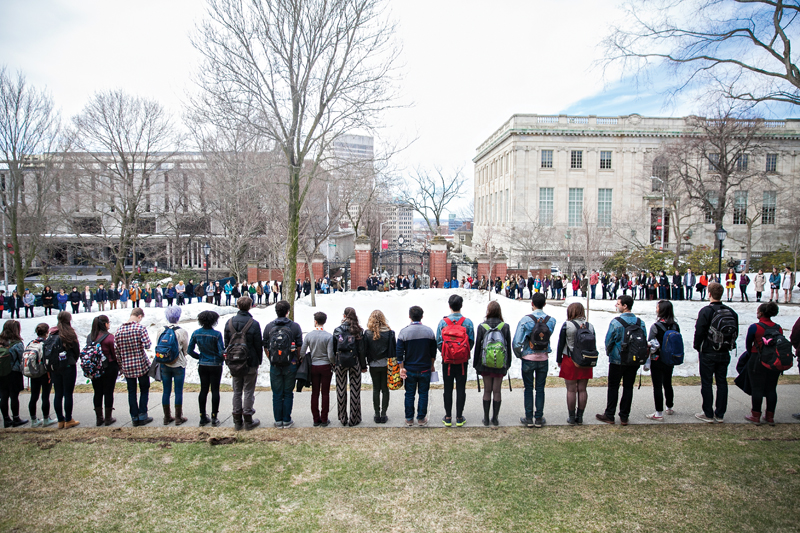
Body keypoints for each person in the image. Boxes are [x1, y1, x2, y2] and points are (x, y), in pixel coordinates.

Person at [596, 295, 646, 426]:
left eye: (618, 304)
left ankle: (610, 414)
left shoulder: (616, 322)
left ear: (625, 306)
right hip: (634, 360)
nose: (616, 306)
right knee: (628, 387)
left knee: (613, 387)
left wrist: (609, 352)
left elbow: (608, 340)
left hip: (617, 359)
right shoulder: (640, 323)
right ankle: (624, 415)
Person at [693, 282, 738, 423]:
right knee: (722, 382)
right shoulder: (731, 312)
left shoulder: (706, 311)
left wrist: (697, 346)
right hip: (724, 351)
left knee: (706, 382)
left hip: (708, 350)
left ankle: (708, 412)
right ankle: (720, 413)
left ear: (709, 294)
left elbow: (699, 331)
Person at [514, 292, 556, 428]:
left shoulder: (525, 320)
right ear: (544, 304)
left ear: (531, 304)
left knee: (528, 388)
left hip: (528, 357)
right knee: (540, 388)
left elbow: (516, 342)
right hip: (543, 357)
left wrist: (519, 354)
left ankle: (528, 417)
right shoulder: (551, 321)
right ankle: (539, 417)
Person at [436, 294, 474, 427]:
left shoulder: (443, 322)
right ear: (461, 306)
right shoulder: (467, 322)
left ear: (449, 306)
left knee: (447, 388)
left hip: (447, 361)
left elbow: (439, 342)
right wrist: (461, 352)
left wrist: (447, 352)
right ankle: (459, 417)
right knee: (461, 388)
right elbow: (471, 341)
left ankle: (447, 417)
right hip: (462, 362)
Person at [262, 299, 300, 428]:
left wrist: (271, 359)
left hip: (275, 364)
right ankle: (286, 419)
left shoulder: (269, 327)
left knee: (277, 393)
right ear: (288, 312)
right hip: (290, 364)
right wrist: (296, 360)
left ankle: (278, 420)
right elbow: (299, 346)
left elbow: (265, 346)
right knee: (288, 393)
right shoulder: (294, 326)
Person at [473, 301, 512, 426]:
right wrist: (508, 364)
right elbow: (508, 347)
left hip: (485, 363)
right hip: (500, 364)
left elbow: (478, 348)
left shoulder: (482, 327)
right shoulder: (505, 327)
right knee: (497, 391)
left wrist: (476, 365)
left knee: (487, 390)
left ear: (488, 311)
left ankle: (486, 418)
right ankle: (495, 418)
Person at [397, 305, 437, 427]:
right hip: (425, 368)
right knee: (423, 393)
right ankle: (421, 418)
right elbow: (433, 351)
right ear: (422, 316)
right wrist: (432, 365)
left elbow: (399, 352)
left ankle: (409, 418)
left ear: (409, 316)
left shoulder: (404, 332)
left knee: (409, 394)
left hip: (410, 368)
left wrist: (401, 367)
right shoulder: (429, 331)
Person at [744, 302, 783, 425]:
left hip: (757, 359)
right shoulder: (778, 327)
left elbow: (748, 345)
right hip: (774, 361)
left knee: (757, 388)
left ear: (761, 313)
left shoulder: (755, 327)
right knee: (772, 388)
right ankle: (770, 416)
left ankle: (756, 415)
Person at [555, 302, 594, 425]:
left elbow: (561, 344)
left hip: (570, 359)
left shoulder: (567, 325)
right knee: (582, 389)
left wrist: (559, 360)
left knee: (571, 390)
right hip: (585, 359)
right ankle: (580, 416)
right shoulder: (590, 326)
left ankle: (571, 417)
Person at [114, 308, 154, 426]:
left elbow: (117, 351)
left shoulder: (119, 330)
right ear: (140, 316)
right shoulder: (140, 328)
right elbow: (147, 344)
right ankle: (143, 415)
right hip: (141, 364)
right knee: (144, 389)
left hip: (127, 365)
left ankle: (134, 417)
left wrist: (121, 366)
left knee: (131, 392)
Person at [188, 310, 224, 427]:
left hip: (203, 364)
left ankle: (202, 416)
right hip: (215, 365)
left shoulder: (196, 333)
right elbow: (220, 352)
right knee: (215, 390)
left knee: (203, 389)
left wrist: (200, 357)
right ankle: (214, 416)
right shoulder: (217, 335)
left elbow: (189, 350)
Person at [645, 300, 679, 422]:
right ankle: (669, 406)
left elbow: (650, 342)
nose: (656, 309)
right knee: (668, 382)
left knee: (657, 385)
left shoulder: (656, 327)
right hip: (670, 358)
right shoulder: (675, 325)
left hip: (657, 358)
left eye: (658, 307)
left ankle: (658, 412)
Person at [300, 311, 335, 426]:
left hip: (314, 366)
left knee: (315, 392)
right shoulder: (329, 336)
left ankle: (316, 418)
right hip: (325, 366)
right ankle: (324, 418)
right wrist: (333, 363)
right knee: (325, 392)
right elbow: (330, 354)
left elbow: (302, 352)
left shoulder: (309, 336)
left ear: (315, 321)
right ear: (324, 321)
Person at [332, 307, 366, 426]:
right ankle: (354, 418)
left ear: (344, 316)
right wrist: (363, 365)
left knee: (341, 389)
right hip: (355, 361)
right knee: (355, 389)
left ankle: (342, 417)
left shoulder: (337, 330)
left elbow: (334, 347)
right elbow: (361, 350)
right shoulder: (358, 330)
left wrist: (334, 362)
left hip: (340, 361)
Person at [363, 310, 395, 424]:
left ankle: (376, 414)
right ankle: (383, 414)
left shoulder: (367, 333)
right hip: (386, 364)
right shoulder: (390, 333)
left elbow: (364, 350)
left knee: (376, 389)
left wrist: (364, 363)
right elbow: (393, 350)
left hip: (373, 364)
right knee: (385, 390)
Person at [86, 315, 119, 426]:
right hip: (109, 367)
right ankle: (108, 418)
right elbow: (114, 355)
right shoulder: (109, 337)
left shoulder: (90, 337)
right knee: (108, 392)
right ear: (105, 324)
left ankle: (99, 418)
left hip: (95, 368)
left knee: (97, 392)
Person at [50, 312, 82, 429]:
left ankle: (60, 420)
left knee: (58, 393)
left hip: (55, 367)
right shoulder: (69, 333)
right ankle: (68, 419)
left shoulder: (52, 332)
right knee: (68, 393)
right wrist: (73, 359)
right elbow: (76, 349)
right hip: (68, 365)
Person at [160, 306, 190, 425]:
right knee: (178, 391)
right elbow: (186, 349)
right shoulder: (181, 331)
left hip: (165, 363)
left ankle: (166, 417)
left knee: (166, 390)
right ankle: (178, 417)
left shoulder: (160, 330)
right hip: (178, 364)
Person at [27, 323, 57, 428]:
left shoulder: (32, 343)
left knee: (34, 396)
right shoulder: (46, 343)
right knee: (45, 396)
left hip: (34, 372)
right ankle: (46, 418)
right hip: (45, 373)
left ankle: (33, 419)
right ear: (47, 332)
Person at [0, 320, 28, 427]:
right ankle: (16, 418)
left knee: (3, 395)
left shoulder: (1, 341)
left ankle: (6, 419)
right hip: (14, 372)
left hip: (2, 372)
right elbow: (22, 357)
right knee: (14, 396)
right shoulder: (17, 343)